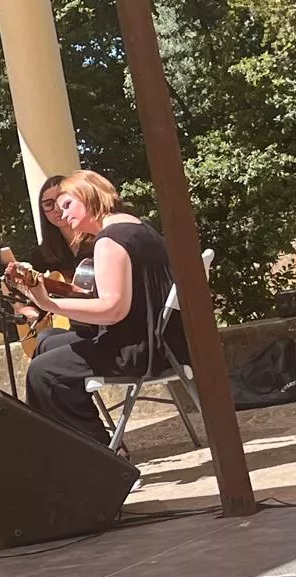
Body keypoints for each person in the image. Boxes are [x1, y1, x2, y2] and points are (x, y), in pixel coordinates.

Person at [18, 170, 189, 447]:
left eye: (68, 204)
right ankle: (65, 442)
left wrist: (47, 303)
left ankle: (99, 453)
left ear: (88, 196)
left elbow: (113, 311)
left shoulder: (110, 240)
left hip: (140, 351)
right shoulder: (137, 226)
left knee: (43, 371)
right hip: (163, 342)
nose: (63, 214)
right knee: (48, 341)